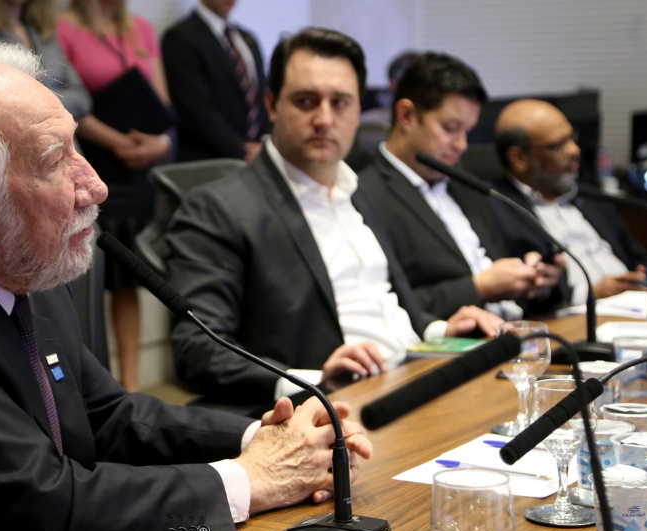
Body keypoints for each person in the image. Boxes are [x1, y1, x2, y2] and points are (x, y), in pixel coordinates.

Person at [0, 42, 372, 531]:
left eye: (77, 145)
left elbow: (105, 416)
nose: (96, 185)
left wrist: (265, 437)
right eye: (55, 160)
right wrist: (252, 479)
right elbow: (43, 506)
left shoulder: (18, 265)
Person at [166, 28, 502, 406]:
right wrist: (311, 381)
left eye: (340, 103)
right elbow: (197, 348)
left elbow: (384, 304)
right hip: (333, 410)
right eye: (306, 101)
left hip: (413, 378)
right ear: (273, 105)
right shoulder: (220, 207)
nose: (324, 119)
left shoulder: (357, 192)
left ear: (360, 111)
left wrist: (441, 329)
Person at [358, 53, 563, 320]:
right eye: (450, 128)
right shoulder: (365, 194)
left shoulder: (466, 184)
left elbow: (505, 266)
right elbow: (383, 306)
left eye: (467, 131)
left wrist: (537, 280)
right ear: (406, 115)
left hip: (519, 333)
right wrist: (479, 289)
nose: (461, 145)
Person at [57, 0, 173, 391]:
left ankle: (131, 385)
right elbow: (67, 106)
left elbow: (163, 103)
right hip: (96, 163)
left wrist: (159, 144)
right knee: (85, 276)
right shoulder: (65, 28)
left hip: (138, 170)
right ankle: (90, 383)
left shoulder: (140, 27)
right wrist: (119, 141)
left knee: (127, 277)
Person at [492, 99, 647, 303]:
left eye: (572, 138)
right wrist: (590, 295)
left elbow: (640, 257)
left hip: (634, 307)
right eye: (558, 145)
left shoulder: (588, 197)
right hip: (577, 316)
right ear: (519, 158)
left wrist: (645, 280)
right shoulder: (497, 208)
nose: (575, 150)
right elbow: (526, 295)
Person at [161, 0, 269, 162]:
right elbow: (194, 109)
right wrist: (243, 151)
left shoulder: (247, 38)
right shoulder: (180, 37)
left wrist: (267, 146)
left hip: (256, 158)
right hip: (209, 162)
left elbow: (262, 99)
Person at [0, 0, 90, 122]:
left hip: (64, 138)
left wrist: (36, 104)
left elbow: (82, 99)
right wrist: (55, 103)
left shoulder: (42, 29)